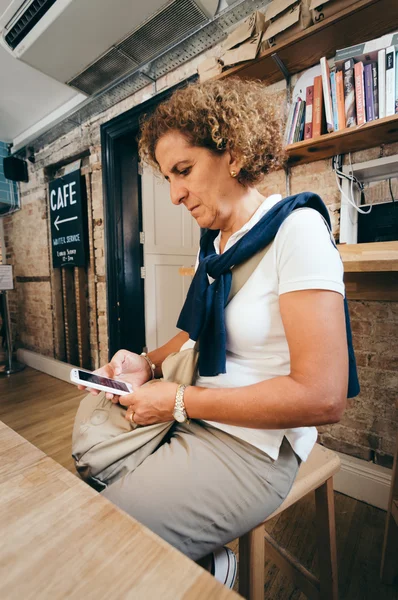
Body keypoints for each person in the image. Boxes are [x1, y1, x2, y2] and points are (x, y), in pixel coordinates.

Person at [80, 77, 354, 588]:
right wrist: (146, 364)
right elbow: (197, 336)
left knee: (105, 539)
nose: (175, 194)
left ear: (231, 153)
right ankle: (204, 563)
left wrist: (179, 401)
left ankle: (203, 567)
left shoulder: (298, 233)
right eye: (167, 177)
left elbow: (324, 397)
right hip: (201, 414)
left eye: (183, 171)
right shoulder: (217, 241)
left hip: (255, 445)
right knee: (93, 458)